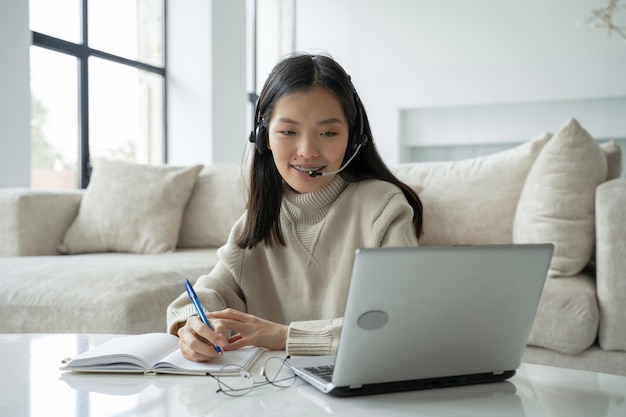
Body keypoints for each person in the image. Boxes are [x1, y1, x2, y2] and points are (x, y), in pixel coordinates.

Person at [167, 53, 423, 362]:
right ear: (264, 139)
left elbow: (401, 321)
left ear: (353, 140)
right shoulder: (258, 221)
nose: (307, 151)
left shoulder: (382, 207)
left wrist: (283, 336)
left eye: (328, 133)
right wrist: (192, 326)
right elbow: (206, 295)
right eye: (288, 132)